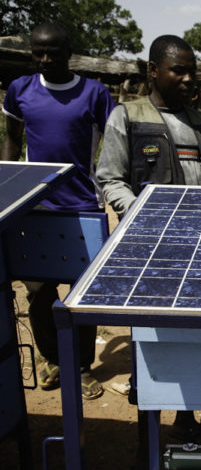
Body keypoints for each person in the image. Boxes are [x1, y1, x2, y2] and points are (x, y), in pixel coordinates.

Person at [96, 35, 201, 443]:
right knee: (150, 340)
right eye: (178, 70)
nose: (189, 79)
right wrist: (145, 217)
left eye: (193, 71)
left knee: (191, 336)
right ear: (154, 71)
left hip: (200, 248)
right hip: (151, 251)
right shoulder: (128, 116)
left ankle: (187, 419)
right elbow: (110, 178)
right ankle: (147, 432)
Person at [1, 23, 115, 400]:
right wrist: (7, 191)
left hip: (82, 204)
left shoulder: (95, 93)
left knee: (80, 292)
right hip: (34, 207)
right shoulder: (20, 90)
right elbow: (13, 140)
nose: (45, 59)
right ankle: (51, 358)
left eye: (53, 52)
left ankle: (81, 366)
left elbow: (112, 146)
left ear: (70, 51)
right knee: (38, 291)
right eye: (38, 52)